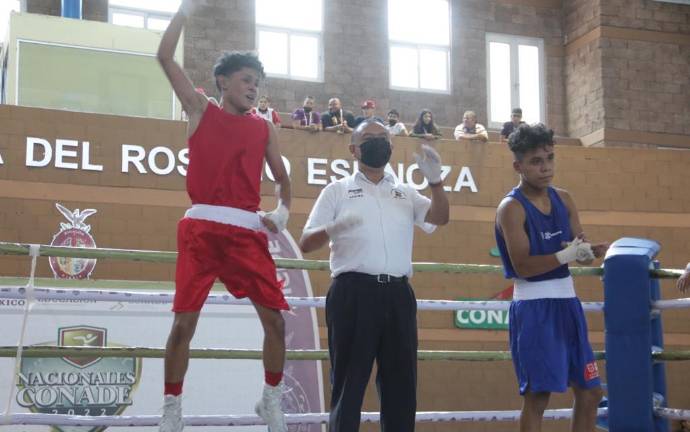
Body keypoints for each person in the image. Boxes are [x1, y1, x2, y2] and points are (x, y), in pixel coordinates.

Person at [156, 2, 291, 431]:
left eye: (258, 82)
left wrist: (282, 211)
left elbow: (283, 179)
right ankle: (171, 410)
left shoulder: (264, 127)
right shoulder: (200, 109)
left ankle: (270, 400)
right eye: (246, 80)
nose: (254, 88)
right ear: (223, 81)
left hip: (246, 231)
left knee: (275, 322)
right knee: (183, 324)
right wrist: (183, 10)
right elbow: (163, 56)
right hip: (201, 229)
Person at [299, 119, 449, 432]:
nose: (378, 142)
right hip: (353, 293)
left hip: (398, 295)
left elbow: (440, 218)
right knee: (348, 386)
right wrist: (334, 228)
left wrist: (436, 182)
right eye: (369, 137)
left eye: (383, 137)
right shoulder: (336, 191)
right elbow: (306, 242)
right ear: (353, 149)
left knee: (401, 388)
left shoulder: (405, 193)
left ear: (392, 146)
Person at [495, 123, 607, 432]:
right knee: (538, 397)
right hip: (534, 309)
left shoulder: (565, 199)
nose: (546, 167)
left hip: (568, 305)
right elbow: (522, 266)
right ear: (518, 166)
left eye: (550, 158)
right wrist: (566, 255)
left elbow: (577, 251)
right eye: (536, 161)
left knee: (591, 392)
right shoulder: (511, 208)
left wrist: (587, 251)